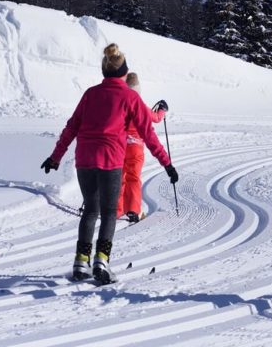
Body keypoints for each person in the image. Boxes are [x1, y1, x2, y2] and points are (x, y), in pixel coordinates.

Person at [41, 44, 177, 284]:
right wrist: (167, 164)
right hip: (111, 160)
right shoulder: (130, 96)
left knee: (90, 212)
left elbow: (71, 126)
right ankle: (101, 261)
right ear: (124, 73)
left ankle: (81, 262)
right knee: (108, 213)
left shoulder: (90, 94)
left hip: (84, 160)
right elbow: (148, 133)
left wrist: (55, 157)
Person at [117, 72, 168, 223]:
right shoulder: (140, 106)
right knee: (133, 177)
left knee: (119, 177)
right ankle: (133, 210)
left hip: (119, 146)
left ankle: (116, 210)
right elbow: (156, 118)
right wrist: (162, 110)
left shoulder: (120, 104)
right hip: (136, 147)